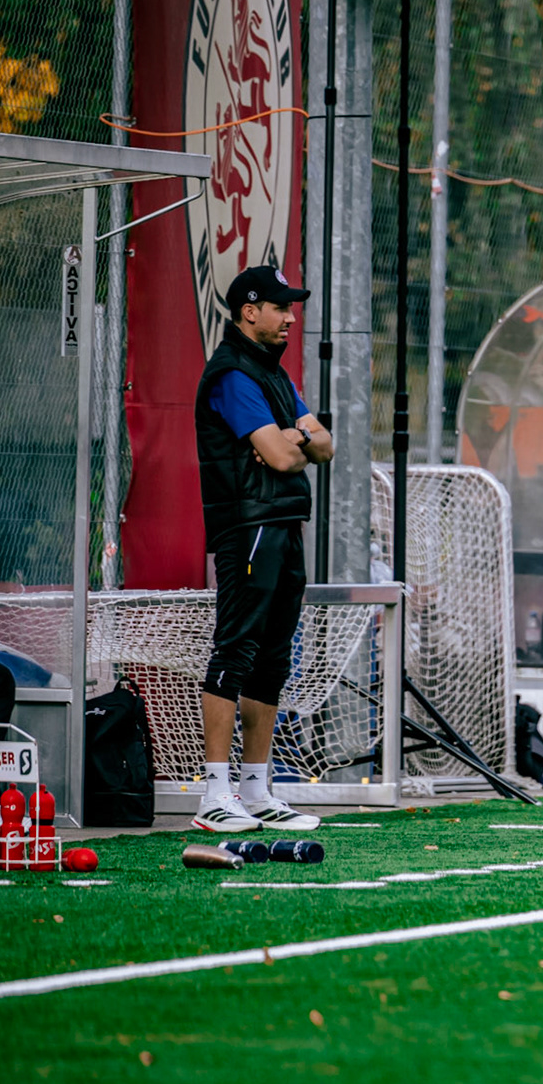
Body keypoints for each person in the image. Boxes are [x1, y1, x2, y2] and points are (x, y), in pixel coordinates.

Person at [193, 265, 332, 832]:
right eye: (281, 307)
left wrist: (293, 436)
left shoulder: (274, 374)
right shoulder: (231, 372)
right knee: (237, 650)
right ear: (250, 311)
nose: (291, 317)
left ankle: (256, 789)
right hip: (247, 527)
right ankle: (213, 794)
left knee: (273, 657)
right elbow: (279, 457)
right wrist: (295, 439)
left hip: (282, 524)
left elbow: (323, 443)